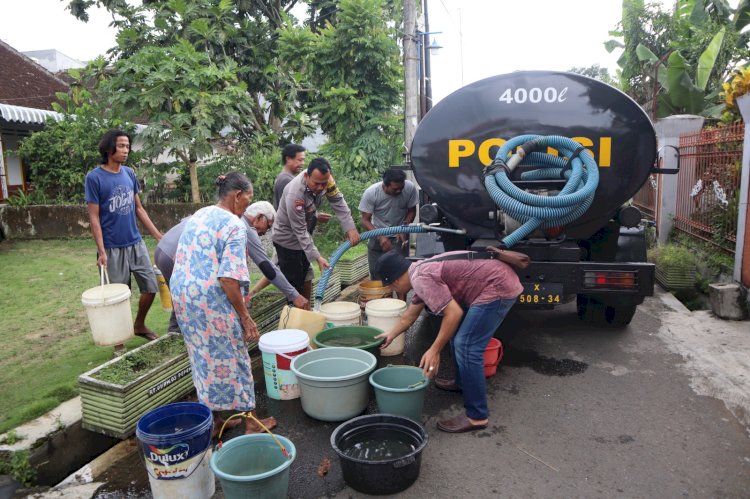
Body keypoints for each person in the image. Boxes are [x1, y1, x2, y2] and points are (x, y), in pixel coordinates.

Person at [373, 247, 529, 433]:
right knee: (458, 337)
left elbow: (454, 313)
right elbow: (409, 316)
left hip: (498, 287)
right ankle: (462, 382)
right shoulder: (419, 269)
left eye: (391, 286)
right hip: (498, 279)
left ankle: (477, 416)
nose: (393, 289)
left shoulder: (421, 278)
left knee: (467, 346)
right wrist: (391, 334)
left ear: (396, 279)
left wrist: (434, 349)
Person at [169, 172, 277, 437]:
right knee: (235, 355)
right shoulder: (235, 225)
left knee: (201, 358)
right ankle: (250, 421)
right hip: (211, 300)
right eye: (247, 199)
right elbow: (228, 278)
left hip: (183, 295)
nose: (247, 206)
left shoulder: (200, 214)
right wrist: (245, 317)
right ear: (237, 196)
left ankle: (215, 420)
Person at [84, 129, 162, 356]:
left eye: (127, 146)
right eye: (121, 146)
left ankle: (138, 325)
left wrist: (157, 235)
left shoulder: (129, 174)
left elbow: (138, 208)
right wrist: (101, 251)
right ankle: (119, 342)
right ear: (109, 149)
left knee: (150, 286)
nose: (126, 150)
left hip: (135, 243)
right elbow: (94, 217)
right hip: (111, 247)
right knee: (118, 296)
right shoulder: (94, 178)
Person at [271, 157, 360, 305]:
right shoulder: (295, 194)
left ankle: (307, 312)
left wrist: (350, 228)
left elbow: (338, 202)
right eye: (317, 183)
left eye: (324, 183)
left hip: (304, 235)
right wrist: (318, 257)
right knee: (294, 285)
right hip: (287, 240)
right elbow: (299, 230)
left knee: (306, 277)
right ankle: (294, 317)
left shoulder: (327, 181)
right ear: (306, 176)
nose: (320, 187)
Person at [359, 168, 418, 294]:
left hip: (399, 237)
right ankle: (383, 306)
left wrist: (404, 227)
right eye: (395, 189)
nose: (399, 191)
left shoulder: (409, 188)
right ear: (384, 185)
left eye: (401, 188)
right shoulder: (371, 193)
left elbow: (412, 210)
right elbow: (365, 220)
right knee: (378, 276)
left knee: (400, 275)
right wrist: (380, 236)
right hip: (377, 236)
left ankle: (401, 308)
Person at [243, 201, 308, 309]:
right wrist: (294, 295)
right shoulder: (247, 229)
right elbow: (267, 267)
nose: (266, 232)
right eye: (268, 226)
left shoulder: (236, 220)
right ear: (259, 217)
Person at [154, 217, 190, 333]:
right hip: (171, 256)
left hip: (160, 249)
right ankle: (175, 331)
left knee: (178, 297)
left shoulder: (200, 214)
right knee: (183, 296)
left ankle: (175, 331)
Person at [273, 144, 306, 210]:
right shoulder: (286, 180)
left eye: (303, 160)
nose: (303, 163)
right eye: (300, 160)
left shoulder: (284, 177)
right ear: (288, 159)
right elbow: (293, 209)